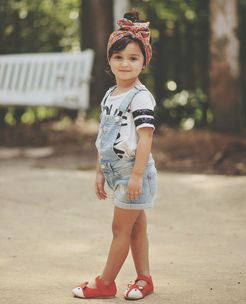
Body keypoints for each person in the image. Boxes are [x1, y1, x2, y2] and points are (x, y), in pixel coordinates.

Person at [72, 11, 157, 300]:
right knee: (135, 228)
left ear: (144, 62)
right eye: (118, 57)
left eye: (133, 58)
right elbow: (104, 136)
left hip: (133, 170)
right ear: (109, 60)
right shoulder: (110, 94)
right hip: (114, 169)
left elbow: (146, 138)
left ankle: (105, 283)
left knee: (120, 228)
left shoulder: (140, 97)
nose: (125, 63)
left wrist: (136, 175)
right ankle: (144, 279)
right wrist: (99, 170)